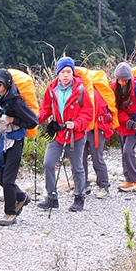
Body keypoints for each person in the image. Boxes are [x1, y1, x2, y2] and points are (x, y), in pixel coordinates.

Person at [38, 58, 97, 212]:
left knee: (77, 168)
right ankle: (52, 197)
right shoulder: (52, 89)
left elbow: (88, 113)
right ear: (58, 73)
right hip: (58, 133)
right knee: (48, 163)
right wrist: (36, 119)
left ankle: (79, 197)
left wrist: (76, 124)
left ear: (72, 73)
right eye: (63, 72)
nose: (65, 75)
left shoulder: (81, 90)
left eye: (68, 72)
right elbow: (46, 108)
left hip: (75, 135)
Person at [0, 69, 37, 225]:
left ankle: (10, 213)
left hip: (15, 142)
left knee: (8, 179)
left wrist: (13, 119)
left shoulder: (17, 102)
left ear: (7, 85)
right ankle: (21, 197)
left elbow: (33, 121)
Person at [109, 62, 136, 191]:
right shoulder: (113, 87)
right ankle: (129, 180)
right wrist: (125, 120)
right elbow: (113, 108)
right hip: (122, 125)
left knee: (128, 152)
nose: (122, 82)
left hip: (135, 125)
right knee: (124, 152)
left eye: (124, 80)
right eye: (119, 79)